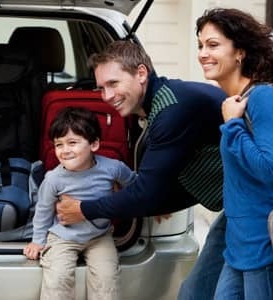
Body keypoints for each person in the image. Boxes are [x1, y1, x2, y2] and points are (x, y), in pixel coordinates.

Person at [54, 41, 228, 298]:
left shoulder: (171, 110)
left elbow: (145, 194)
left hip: (259, 209)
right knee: (196, 293)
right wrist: (156, 201)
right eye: (101, 88)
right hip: (236, 207)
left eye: (113, 84)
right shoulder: (155, 106)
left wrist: (82, 209)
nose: (107, 96)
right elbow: (153, 190)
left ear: (141, 74)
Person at [196, 8, 273, 299]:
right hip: (239, 248)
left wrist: (232, 125)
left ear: (240, 52)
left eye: (213, 45)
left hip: (265, 247)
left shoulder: (262, 98)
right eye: (201, 45)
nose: (203, 53)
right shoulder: (237, 102)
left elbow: (270, 170)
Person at [24, 106, 136, 300]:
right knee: (58, 278)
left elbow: (136, 185)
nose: (65, 150)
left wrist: (156, 204)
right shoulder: (53, 179)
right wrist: (38, 240)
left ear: (94, 144)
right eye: (59, 145)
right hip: (63, 237)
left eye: (72, 142)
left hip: (100, 236)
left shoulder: (113, 168)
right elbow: (43, 210)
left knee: (107, 279)